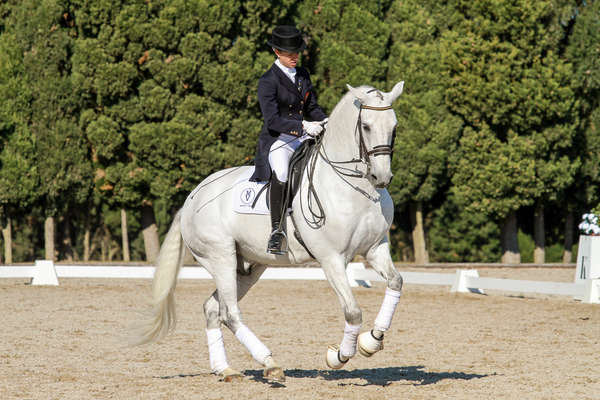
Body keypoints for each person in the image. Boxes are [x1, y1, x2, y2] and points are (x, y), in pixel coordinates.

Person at [250, 25, 328, 255]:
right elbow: (272, 120)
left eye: (297, 52)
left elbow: (312, 107)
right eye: (289, 53)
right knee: (282, 172)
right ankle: (277, 231)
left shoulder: (303, 74)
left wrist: (326, 122)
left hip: (305, 134)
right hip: (279, 140)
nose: (295, 57)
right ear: (276, 51)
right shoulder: (267, 81)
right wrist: (302, 125)